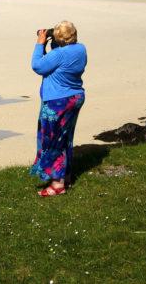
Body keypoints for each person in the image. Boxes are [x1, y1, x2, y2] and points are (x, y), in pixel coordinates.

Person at [29, 20, 87, 197]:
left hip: (57, 102)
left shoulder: (59, 55)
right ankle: (65, 175)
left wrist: (40, 42)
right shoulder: (81, 49)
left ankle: (57, 184)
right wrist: (54, 43)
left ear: (58, 39)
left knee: (53, 141)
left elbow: (38, 66)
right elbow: (56, 62)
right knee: (65, 138)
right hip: (74, 97)